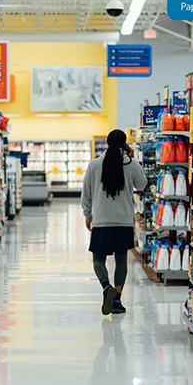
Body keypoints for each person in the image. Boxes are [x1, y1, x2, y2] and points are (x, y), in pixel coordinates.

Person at [81, 129, 147, 315]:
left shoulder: (95, 165)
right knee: (121, 259)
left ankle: (105, 287)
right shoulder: (131, 163)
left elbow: (86, 193)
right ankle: (117, 300)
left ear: (108, 142)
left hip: (101, 219)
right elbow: (142, 185)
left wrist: (88, 215)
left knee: (98, 259)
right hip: (124, 220)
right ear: (124, 143)